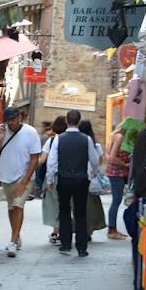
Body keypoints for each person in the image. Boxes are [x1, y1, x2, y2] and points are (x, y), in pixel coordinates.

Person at [0, 106, 41, 257]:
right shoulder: (1, 130)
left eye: (12, 119)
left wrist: (24, 181)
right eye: (7, 120)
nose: (10, 123)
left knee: (18, 206)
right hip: (6, 175)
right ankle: (16, 236)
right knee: (11, 209)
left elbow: (35, 158)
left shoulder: (30, 132)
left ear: (19, 118)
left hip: (24, 175)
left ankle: (12, 242)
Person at [46, 110, 99, 257]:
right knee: (80, 213)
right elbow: (94, 160)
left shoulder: (59, 139)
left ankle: (65, 243)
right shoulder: (86, 139)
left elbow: (52, 162)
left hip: (64, 177)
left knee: (64, 210)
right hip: (81, 178)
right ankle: (81, 247)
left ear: (66, 122)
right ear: (80, 121)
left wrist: (50, 180)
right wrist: (94, 171)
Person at [38, 115, 67, 245]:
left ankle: (56, 232)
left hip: (53, 176)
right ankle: (61, 232)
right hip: (67, 176)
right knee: (65, 205)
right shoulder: (70, 140)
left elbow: (43, 160)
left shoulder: (50, 141)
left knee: (54, 204)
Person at [78, 119, 107, 239]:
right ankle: (88, 230)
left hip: (79, 177)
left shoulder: (78, 142)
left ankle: (80, 229)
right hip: (92, 178)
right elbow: (100, 160)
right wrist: (94, 170)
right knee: (91, 207)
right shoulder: (96, 145)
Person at [106, 121, 132, 240]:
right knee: (116, 201)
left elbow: (108, 152)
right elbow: (112, 157)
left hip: (116, 173)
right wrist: (125, 165)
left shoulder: (116, 136)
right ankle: (111, 230)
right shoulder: (120, 137)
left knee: (116, 201)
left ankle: (114, 229)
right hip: (116, 173)